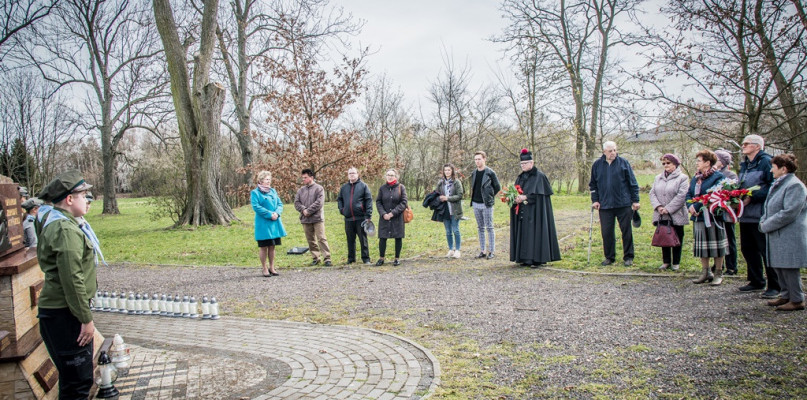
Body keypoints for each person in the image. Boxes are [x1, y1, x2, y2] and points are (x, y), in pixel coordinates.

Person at [35, 170, 97, 399]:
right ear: (70, 199)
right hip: (66, 315)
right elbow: (72, 279)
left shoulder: (60, 223)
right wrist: (85, 318)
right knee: (78, 384)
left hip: (62, 313)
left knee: (75, 381)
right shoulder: (64, 229)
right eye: (84, 194)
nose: (88, 199)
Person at [759, 154, 807, 311]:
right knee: (780, 265)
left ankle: (797, 299)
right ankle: (786, 295)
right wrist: (764, 220)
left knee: (789, 267)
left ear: (783, 169)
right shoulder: (780, 184)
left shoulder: (794, 185)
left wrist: (767, 224)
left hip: (789, 233)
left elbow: (789, 212)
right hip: (777, 232)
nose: (771, 170)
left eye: (773, 167)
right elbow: (770, 206)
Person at [736, 134, 779, 298]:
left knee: (765, 249)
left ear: (757, 146)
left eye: (746, 143)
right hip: (745, 214)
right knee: (748, 248)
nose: (743, 146)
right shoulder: (745, 165)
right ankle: (756, 280)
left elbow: (771, 185)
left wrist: (753, 197)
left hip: (760, 213)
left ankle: (775, 284)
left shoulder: (767, 162)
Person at [589, 141, 641, 266]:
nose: (613, 153)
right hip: (605, 205)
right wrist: (595, 200)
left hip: (623, 203)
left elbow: (632, 183)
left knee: (626, 231)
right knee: (606, 232)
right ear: (604, 152)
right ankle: (609, 257)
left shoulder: (623, 163)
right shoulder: (597, 165)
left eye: (614, 150)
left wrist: (635, 200)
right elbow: (593, 185)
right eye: (610, 151)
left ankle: (628, 257)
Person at [510, 149, 561, 267]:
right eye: (521, 164)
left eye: (525, 163)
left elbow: (540, 196)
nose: (523, 166)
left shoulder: (540, 176)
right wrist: (516, 198)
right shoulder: (520, 177)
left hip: (536, 212)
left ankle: (536, 259)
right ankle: (524, 258)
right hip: (523, 211)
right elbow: (516, 190)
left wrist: (525, 197)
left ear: (532, 163)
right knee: (524, 234)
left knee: (535, 234)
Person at [687, 150, 728, 285]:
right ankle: (705, 272)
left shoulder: (718, 177)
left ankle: (718, 272)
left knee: (716, 245)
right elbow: (689, 194)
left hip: (713, 216)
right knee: (702, 245)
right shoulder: (696, 178)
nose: (697, 163)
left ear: (707, 163)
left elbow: (713, 194)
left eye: (699, 161)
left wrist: (697, 206)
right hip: (698, 217)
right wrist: (690, 206)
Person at [649, 154, 689, 271]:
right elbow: (652, 193)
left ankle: (676, 262)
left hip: (676, 213)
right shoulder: (658, 178)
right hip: (661, 213)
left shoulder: (683, 178)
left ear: (675, 164)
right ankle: (666, 261)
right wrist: (659, 206)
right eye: (664, 163)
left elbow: (682, 195)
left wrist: (669, 208)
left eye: (668, 163)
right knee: (664, 236)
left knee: (677, 236)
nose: (666, 165)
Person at [294, 168, 332, 267]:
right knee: (310, 240)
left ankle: (327, 258)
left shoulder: (319, 188)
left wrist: (308, 211)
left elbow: (319, 203)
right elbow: (296, 203)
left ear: (311, 177)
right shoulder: (300, 190)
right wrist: (303, 210)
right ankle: (316, 257)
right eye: (302, 178)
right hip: (305, 219)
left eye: (305, 178)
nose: (303, 180)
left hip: (317, 218)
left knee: (321, 238)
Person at [252, 170, 286, 276]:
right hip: (263, 224)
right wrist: (269, 214)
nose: (269, 181)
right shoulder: (255, 193)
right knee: (264, 246)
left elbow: (280, 204)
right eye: (267, 179)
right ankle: (264, 268)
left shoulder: (273, 191)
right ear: (260, 181)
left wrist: (277, 213)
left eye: (269, 179)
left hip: (274, 223)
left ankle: (272, 267)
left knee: (272, 246)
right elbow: (256, 207)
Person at [337, 167, 373, 265]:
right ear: (348, 175)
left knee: (363, 239)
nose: (352, 175)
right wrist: (342, 209)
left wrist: (368, 215)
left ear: (358, 174)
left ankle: (366, 258)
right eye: (350, 173)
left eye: (353, 173)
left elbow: (368, 201)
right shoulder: (344, 188)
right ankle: (351, 258)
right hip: (348, 218)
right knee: (350, 239)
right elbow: (339, 199)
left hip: (360, 218)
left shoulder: (364, 186)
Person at [468, 151, 501, 259]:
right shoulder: (474, 173)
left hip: (487, 204)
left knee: (489, 227)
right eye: (476, 159)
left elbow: (497, 187)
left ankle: (491, 251)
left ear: (484, 159)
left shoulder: (490, 173)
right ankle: (482, 250)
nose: (477, 161)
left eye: (479, 159)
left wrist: (489, 196)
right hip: (476, 203)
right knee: (480, 227)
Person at [375, 169, 408, 266]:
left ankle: (397, 258)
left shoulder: (401, 187)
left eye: (392, 175)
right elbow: (378, 202)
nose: (390, 177)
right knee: (382, 237)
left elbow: (404, 202)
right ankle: (381, 258)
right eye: (388, 175)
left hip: (397, 217)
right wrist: (383, 213)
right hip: (384, 217)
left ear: (396, 176)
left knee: (398, 237)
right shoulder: (382, 188)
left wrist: (392, 213)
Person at [714, 149, 739, 275]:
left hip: (727, 211)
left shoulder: (730, 175)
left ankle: (731, 265)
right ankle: (718, 264)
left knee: (729, 239)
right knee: (717, 239)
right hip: (715, 212)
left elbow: (734, 192)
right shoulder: (711, 174)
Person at [436, 163, 464, 258]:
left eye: (449, 170)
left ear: (452, 171)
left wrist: (448, 198)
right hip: (445, 210)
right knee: (448, 231)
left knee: (455, 230)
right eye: (445, 170)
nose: (447, 172)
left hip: (455, 210)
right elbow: (437, 193)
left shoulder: (456, 182)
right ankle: (451, 249)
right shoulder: (441, 182)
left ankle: (458, 250)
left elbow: (460, 195)